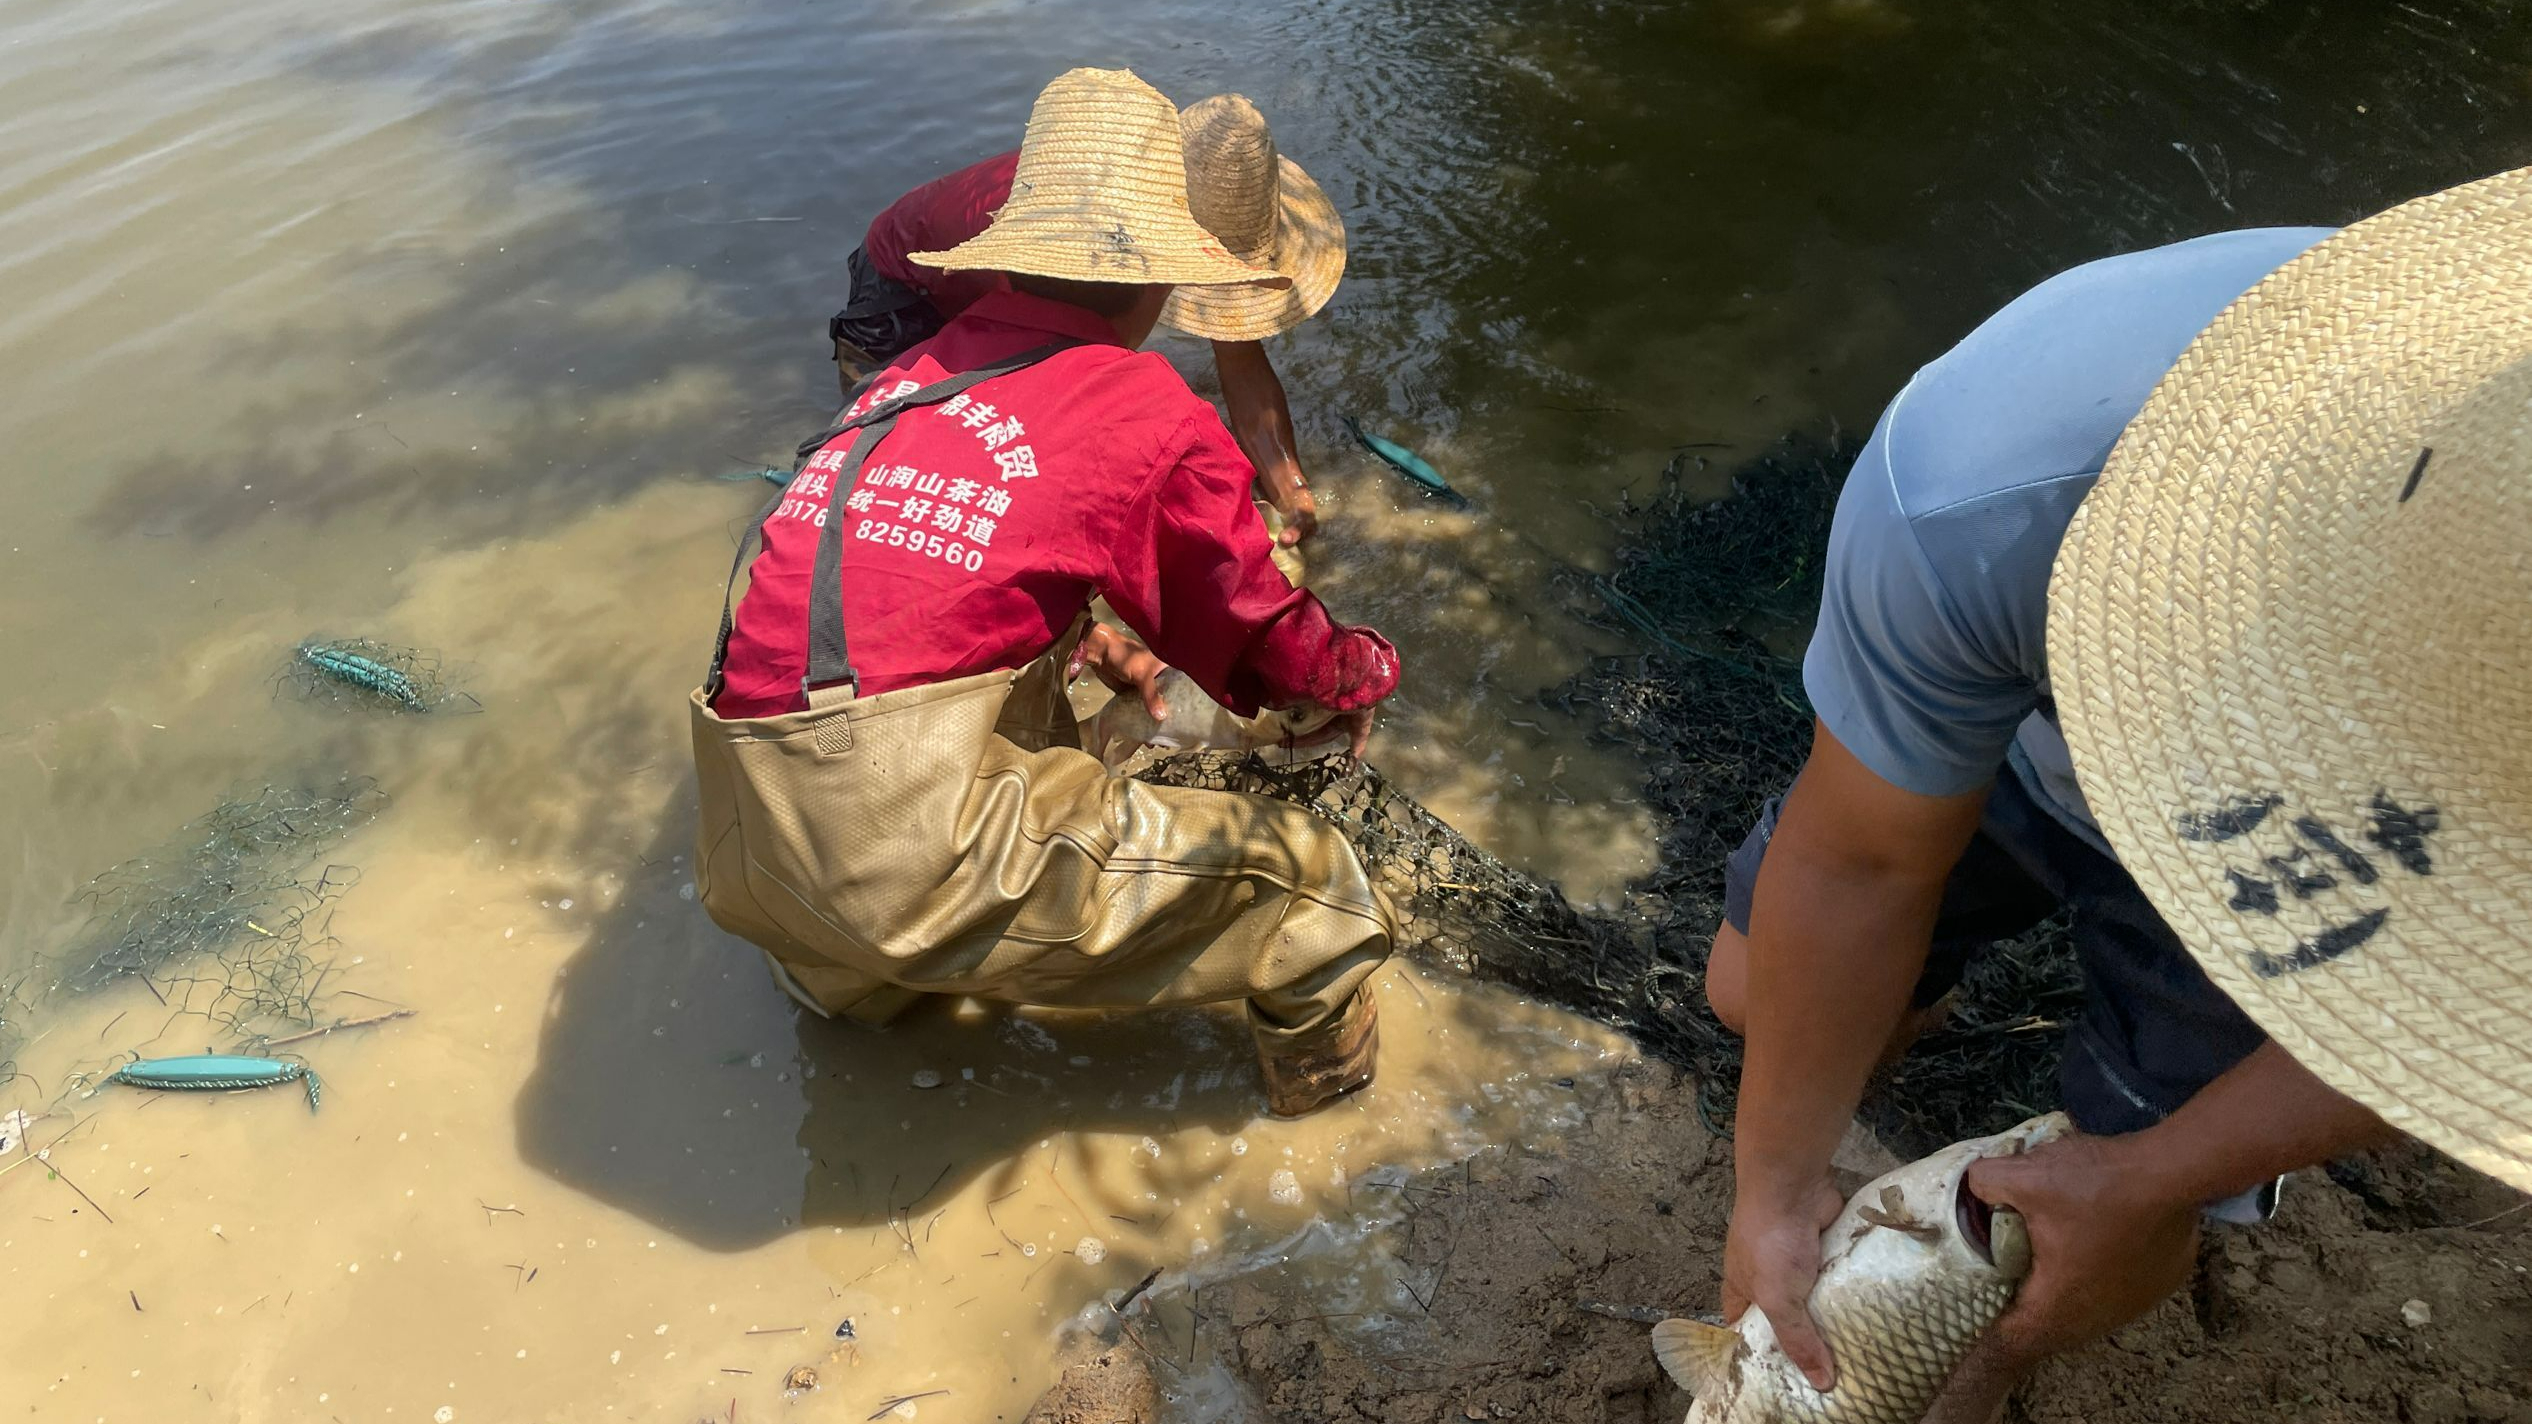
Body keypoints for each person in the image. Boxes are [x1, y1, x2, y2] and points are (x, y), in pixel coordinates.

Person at [1706, 166, 2532, 1419]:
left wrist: (2152, 1176)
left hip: (2375, 864)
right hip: (2032, 715)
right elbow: (1863, 859)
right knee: (1748, 994)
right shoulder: (1984, 484)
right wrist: (1769, 1189)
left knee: (2091, 1241)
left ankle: (1990, 1358)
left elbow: (2479, 1023)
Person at [690, 67, 1400, 1119]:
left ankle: (863, 984)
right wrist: (1361, 664)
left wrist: (1083, 641)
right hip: (891, 865)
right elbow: (1262, 650)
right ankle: (1331, 1142)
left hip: (751, 857)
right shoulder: (1141, 407)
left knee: (1040, 709)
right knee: (1315, 889)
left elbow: (933, 579)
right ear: (1168, 276)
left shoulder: (905, 379)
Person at [831, 93, 1345, 554]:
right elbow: (1035, 406)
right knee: (906, 492)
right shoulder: (1057, 248)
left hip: (991, 286)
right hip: (902, 297)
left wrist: (1287, 484)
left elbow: (1239, 352)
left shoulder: (1159, 212)